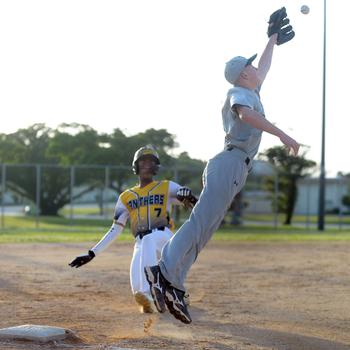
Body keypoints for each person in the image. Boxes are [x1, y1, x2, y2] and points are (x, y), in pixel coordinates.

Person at [144, 7, 300, 324]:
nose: (256, 67)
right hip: (229, 163)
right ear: (244, 73)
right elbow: (245, 115)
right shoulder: (239, 93)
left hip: (234, 168)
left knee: (206, 230)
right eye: (250, 66)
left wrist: (271, 37)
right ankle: (162, 271)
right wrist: (282, 133)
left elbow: (265, 66)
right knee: (200, 223)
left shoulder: (251, 87)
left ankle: (175, 283)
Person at [69, 145, 196, 314]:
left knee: (149, 242)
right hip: (141, 243)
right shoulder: (125, 197)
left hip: (164, 237)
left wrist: (189, 196)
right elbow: (115, 229)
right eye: (142, 161)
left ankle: (156, 290)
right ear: (135, 166)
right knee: (138, 291)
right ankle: (168, 296)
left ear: (156, 167)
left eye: (151, 162)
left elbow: (192, 203)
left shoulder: (167, 186)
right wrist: (92, 253)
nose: (146, 164)